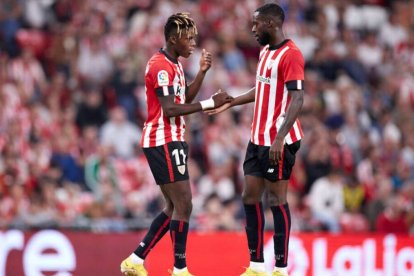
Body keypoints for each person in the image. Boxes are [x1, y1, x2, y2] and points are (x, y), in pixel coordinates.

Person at [120, 12, 232, 276]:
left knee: (174, 207)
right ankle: (180, 269)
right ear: (173, 39)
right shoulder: (159, 65)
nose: (193, 43)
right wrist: (209, 104)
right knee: (184, 205)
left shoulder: (175, 64)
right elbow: (170, 110)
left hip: (172, 140)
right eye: (188, 38)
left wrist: (202, 74)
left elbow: (182, 98)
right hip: (162, 139)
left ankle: (136, 260)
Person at [207, 3, 305, 276]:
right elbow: (263, 87)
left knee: (276, 200)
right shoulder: (264, 51)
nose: (252, 29)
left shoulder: (292, 55)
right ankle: (256, 265)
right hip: (257, 138)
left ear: (272, 24)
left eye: (256, 24)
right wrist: (233, 102)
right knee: (249, 196)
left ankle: (281, 269)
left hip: (278, 140)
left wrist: (280, 138)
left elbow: (298, 98)